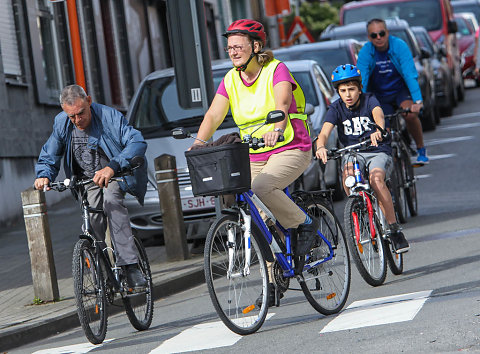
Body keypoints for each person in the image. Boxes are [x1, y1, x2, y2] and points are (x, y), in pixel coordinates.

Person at [193, 19, 317, 304]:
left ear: (256, 46)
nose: (232, 52)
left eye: (238, 46)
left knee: (261, 187)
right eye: (229, 48)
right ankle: (274, 280)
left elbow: (282, 103)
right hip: (254, 154)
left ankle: (305, 223)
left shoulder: (276, 69)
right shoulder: (231, 79)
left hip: (290, 147)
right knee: (245, 204)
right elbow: (213, 115)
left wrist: (276, 126)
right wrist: (199, 142)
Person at [34, 84, 148, 289]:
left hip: (115, 173)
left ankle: (130, 267)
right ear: (63, 111)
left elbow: (136, 141)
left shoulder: (109, 117)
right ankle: (102, 274)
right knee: (92, 217)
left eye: (81, 113)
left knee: (112, 201)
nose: (77, 120)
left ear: (89, 101)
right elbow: (50, 153)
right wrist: (44, 175)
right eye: (72, 116)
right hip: (88, 180)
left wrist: (113, 167)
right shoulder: (62, 123)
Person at [315, 64, 409, 253]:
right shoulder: (336, 108)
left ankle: (394, 230)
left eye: (351, 89)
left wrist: (378, 130)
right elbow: (324, 131)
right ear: (338, 92)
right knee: (348, 178)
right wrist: (320, 146)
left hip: (376, 150)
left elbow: (379, 116)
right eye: (343, 91)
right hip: (352, 153)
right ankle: (358, 210)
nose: (347, 94)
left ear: (359, 89)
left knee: (376, 179)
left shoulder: (370, 100)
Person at [356, 18, 429, 166]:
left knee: (409, 115)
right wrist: (360, 104)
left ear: (387, 33)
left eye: (382, 33)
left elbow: (410, 74)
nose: (379, 38)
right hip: (379, 96)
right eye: (374, 35)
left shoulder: (399, 46)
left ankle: (421, 149)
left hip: (400, 91)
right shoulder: (366, 52)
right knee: (383, 131)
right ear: (368, 38)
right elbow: (361, 81)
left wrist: (418, 101)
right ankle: (392, 166)